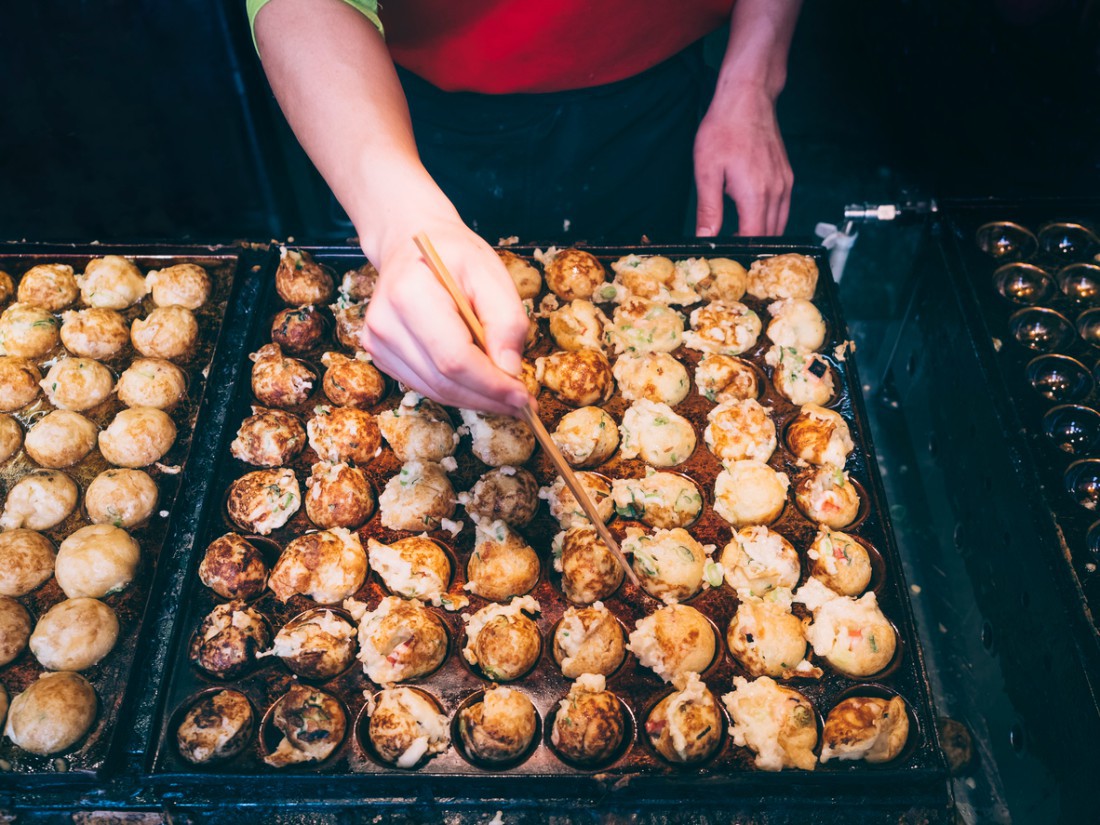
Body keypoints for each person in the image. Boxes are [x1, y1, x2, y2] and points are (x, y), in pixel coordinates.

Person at [249, 0, 802, 415]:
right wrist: (401, 220)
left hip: (648, 89)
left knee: (630, 296)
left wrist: (753, 80)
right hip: (394, 100)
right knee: (429, 330)